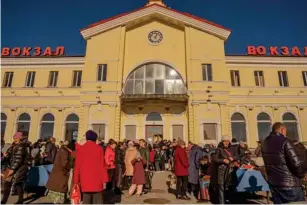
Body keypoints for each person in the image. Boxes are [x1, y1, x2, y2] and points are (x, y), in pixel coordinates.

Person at [262, 122, 305, 204]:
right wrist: (301, 175)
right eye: (285, 130)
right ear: (282, 130)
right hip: (290, 185)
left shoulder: (264, 143)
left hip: (274, 184)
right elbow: (296, 163)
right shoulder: (285, 141)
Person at [73, 130, 108, 204]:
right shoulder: (99, 149)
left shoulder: (80, 149)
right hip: (97, 180)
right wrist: (105, 179)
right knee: (98, 200)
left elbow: (77, 167)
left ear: (86, 138)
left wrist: (76, 181)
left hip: (84, 180)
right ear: (95, 139)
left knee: (86, 200)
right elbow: (102, 165)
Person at [1, 132, 30, 204]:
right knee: (13, 183)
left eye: (16, 138)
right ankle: (18, 200)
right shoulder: (14, 145)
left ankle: (5, 201)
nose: (15, 139)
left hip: (19, 168)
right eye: (14, 138)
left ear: (20, 138)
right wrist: (5, 156)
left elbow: (18, 159)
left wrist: (12, 169)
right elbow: (11, 156)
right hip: (13, 166)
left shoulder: (21, 146)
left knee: (13, 183)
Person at [210, 136, 238, 204]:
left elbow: (237, 156)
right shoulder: (219, 149)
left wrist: (233, 158)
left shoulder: (233, 148)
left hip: (230, 170)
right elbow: (214, 159)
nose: (226, 142)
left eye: (227, 141)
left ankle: (231, 201)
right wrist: (223, 160)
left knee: (231, 186)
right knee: (221, 187)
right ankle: (221, 202)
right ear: (222, 142)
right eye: (224, 141)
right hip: (221, 171)